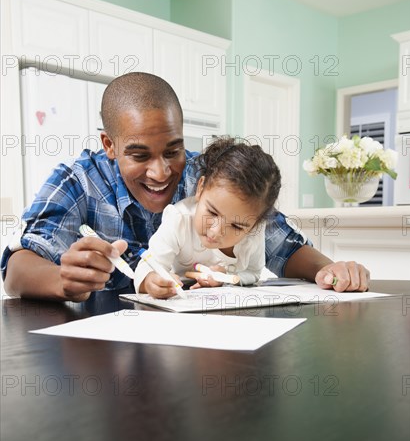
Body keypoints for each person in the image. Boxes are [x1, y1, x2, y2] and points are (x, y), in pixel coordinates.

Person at [1, 72, 370, 302]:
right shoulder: (78, 180)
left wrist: (331, 270)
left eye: (173, 150)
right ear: (109, 145)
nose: (161, 173)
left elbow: (281, 243)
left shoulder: (208, 174)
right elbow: (15, 270)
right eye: (139, 155)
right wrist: (63, 280)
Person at [134, 137, 281, 298]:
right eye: (212, 212)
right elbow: (147, 266)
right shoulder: (179, 219)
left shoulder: (254, 231)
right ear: (201, 188)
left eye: (237, 226)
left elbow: (253, 272)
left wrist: (226, 278)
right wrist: (150, 282)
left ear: (254, 225)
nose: (216, 231)